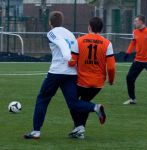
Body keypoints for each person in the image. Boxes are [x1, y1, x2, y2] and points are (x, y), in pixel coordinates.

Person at [24, 11, 106, 139]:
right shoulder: (70, 34)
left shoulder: (52, 32)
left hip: (56, 72)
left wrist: (67, 57)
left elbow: (63, 47)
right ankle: (92, 110)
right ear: (62, 22)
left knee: (42, 99)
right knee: (73, 102)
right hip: (71, 73)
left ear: (50, 22)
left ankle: (36, 131)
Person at [68, 17, 115, 139]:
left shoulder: (79, 41)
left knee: (73, 103)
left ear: (89, 27)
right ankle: (80, 130)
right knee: (84, 103)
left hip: (81, 81)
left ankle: (94, 109)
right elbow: (111, 67)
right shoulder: (107, 43)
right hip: (97, 83)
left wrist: (69, 61)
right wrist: (111, 80)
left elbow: (72, 62)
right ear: (101, 29)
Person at [123, 15, 147, 105]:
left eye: (136, 21)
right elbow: (132, 43)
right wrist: (127, 53)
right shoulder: (135, 32)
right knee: (129, 78)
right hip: (138, 60)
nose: (134, 23)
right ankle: (132, 99)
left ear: (141, 22)